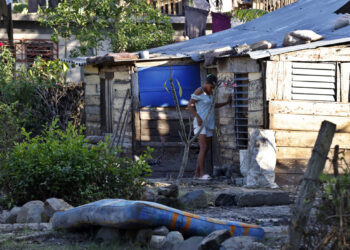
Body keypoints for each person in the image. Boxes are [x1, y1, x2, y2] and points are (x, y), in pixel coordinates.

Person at [188, 74, 232, 180]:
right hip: (200, 124)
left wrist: (226, 103)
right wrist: (197, 117)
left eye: (213, 88)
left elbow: (212, 105)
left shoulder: (211, 93)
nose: (212, 89)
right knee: (203, 148)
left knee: (206, 149)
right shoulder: (199, 91)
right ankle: (202, 173)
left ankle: (197, 174)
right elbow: (190, 106)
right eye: (211, 87)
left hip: (209, 123)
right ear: (206, 83)